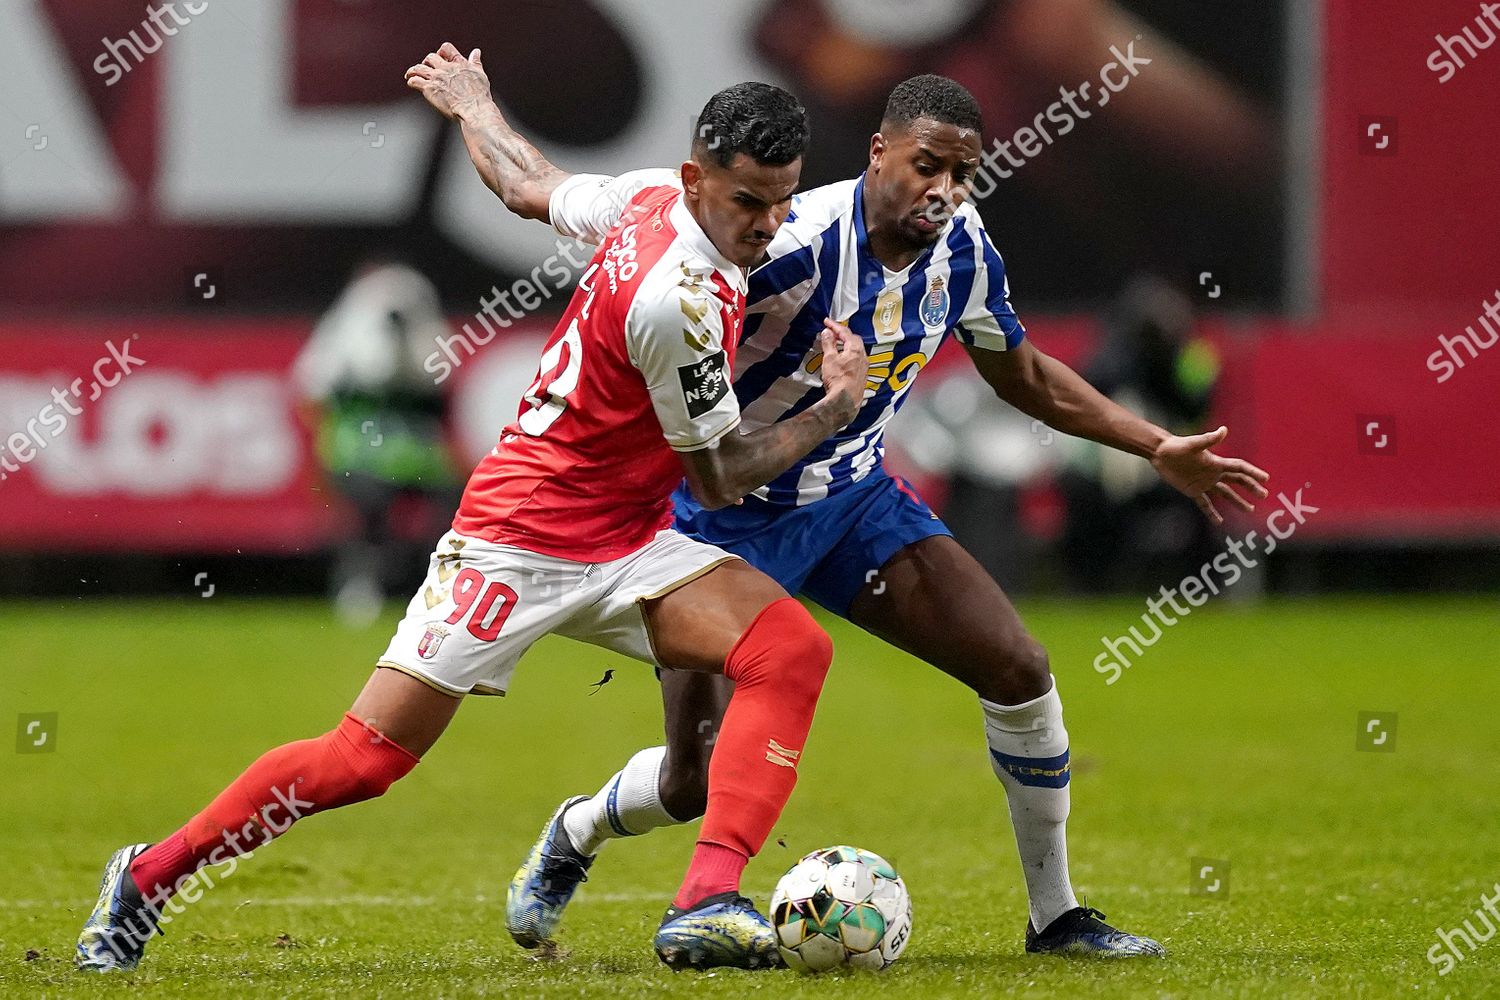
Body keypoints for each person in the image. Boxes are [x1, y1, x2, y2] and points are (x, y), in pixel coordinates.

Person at [76, 43, 869, 974]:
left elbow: (530, 184)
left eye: (784, 200)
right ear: (700, 180)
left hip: (627, 540)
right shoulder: (680, 298)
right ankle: (147, 876)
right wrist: (835, 407)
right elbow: (721, 479)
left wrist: (474, 105)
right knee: (362, 762)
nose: (770, 225)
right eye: (750, 204)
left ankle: (704, 901)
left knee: (789, 649)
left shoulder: (651, 197)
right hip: (516, 540)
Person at [506, 75, 1269, 959]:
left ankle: (1056, 917)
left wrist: (1152, 443)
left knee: (1018, 666)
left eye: (963, 173)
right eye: (925, 165)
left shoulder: (966, 249)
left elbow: (1017, 371)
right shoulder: (782, 244)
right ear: (878, 154)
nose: (943, 190)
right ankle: (575, 834)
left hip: (855, 502)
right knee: (690, 780)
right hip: (718, 527)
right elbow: (652, 332)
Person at [291, 259, 463, 626]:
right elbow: (314, 389)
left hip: (414, 453)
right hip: (360, 451)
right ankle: (360, 588)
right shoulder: (338, 334)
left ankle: (436, 587)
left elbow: (437, 385)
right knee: (368, 518)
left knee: (453, 508)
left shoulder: (424, 329)